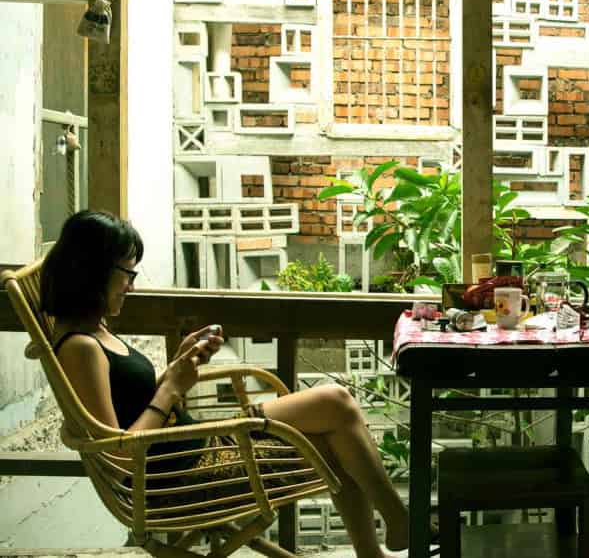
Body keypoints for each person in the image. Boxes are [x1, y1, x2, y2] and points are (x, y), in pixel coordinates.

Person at [42, 210, 411, 558]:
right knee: (336, 425)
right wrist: (171, 389)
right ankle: (397, 528)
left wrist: (177, 367)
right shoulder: (80, 349)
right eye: (128, 274)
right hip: (182, 475)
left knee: (336, 408)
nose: (132, 287)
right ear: (95, 272)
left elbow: (129, 404)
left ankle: (387, 537)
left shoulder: (94, 329)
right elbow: (119, 457)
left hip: (199, 445)